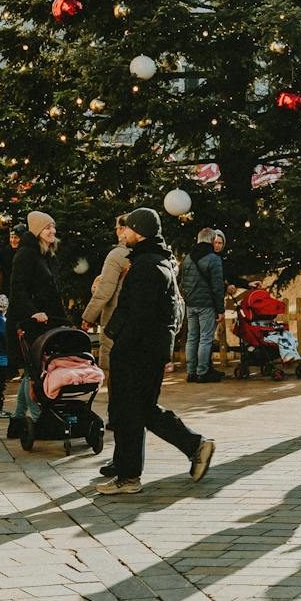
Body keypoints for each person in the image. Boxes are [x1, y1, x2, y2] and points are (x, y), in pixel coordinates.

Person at [97, 207, 213, 494]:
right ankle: (191, 447)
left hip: (138, 351)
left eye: (127, 229)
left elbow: (140, 315)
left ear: (140, 232)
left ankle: (130, 476)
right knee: (140, 411)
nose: (122, 233)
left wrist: (120, 346)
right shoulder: (155, 260)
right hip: (148, 349)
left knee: (129, 412)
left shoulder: (148, 265)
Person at [7, 211, 62, 436]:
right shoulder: (26, 255)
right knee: (33, 371)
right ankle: (38, 418)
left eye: (53, 227)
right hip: (29, 321)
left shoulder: (47, 253)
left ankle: (17, 421)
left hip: (45, 320)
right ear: (37, 230)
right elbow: (18, 289)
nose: (52, 231)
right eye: (47, 227)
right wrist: (33, 313)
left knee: (33, 370)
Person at [81, 216, 133, 377]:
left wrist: (88, 317)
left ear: (124, 229)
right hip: (139, 317)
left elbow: (105, 290)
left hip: (115, 316)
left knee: (114, 367)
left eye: (117, 228)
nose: (116, 232)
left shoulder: (117, 255)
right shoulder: (152, 254)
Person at [179, 228, 227, 383]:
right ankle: (203, 372)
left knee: (192, 337)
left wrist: (187, 298)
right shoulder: (213, 259)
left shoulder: (187, 258)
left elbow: (182, 281)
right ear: (212, 240)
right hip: (206, 304)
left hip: (191, 304)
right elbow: (217, 287)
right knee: (205, 338)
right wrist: (220, 309)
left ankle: (191, 372)